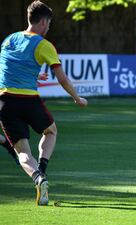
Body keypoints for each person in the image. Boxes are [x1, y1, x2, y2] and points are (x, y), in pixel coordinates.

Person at [0, 1, 88, 206]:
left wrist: (28, 77)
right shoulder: (43, 44)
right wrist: (77, 98)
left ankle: (39, 178)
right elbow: (62, 79)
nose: (48, 28)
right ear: (43, 22)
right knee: (51, 131)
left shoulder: (8, 39)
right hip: (29, 100)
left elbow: (8, 67)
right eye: (48, 24)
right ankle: (42, 168)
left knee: (22, 152)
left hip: (5, 101)